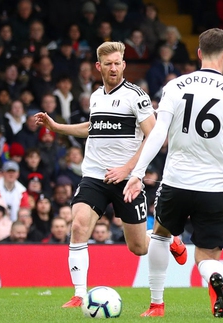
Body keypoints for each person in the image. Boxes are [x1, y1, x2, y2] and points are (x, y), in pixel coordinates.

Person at [34, 41, 187, 309]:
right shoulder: (96, 96)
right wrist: (57, 127)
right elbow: (93, 127)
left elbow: (153, 136)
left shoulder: (136, 96)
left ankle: (169, 239)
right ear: (98, 67)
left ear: (124, 65)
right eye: (108, 64)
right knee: (79, 225)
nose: (113, 68)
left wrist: (129, 169)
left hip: (126, 179)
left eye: (117, 63)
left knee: (138, 247)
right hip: (94, 176)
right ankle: (79, 294)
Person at [122, 29, 223, 317]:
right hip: (217, 188)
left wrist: (138, 172)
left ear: (199, 53)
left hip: (177, 182)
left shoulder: (176, 86)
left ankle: (156, 304)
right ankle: (214, 277)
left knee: (161, 235)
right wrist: (220, 163)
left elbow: (157, 133)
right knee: (206, 254)